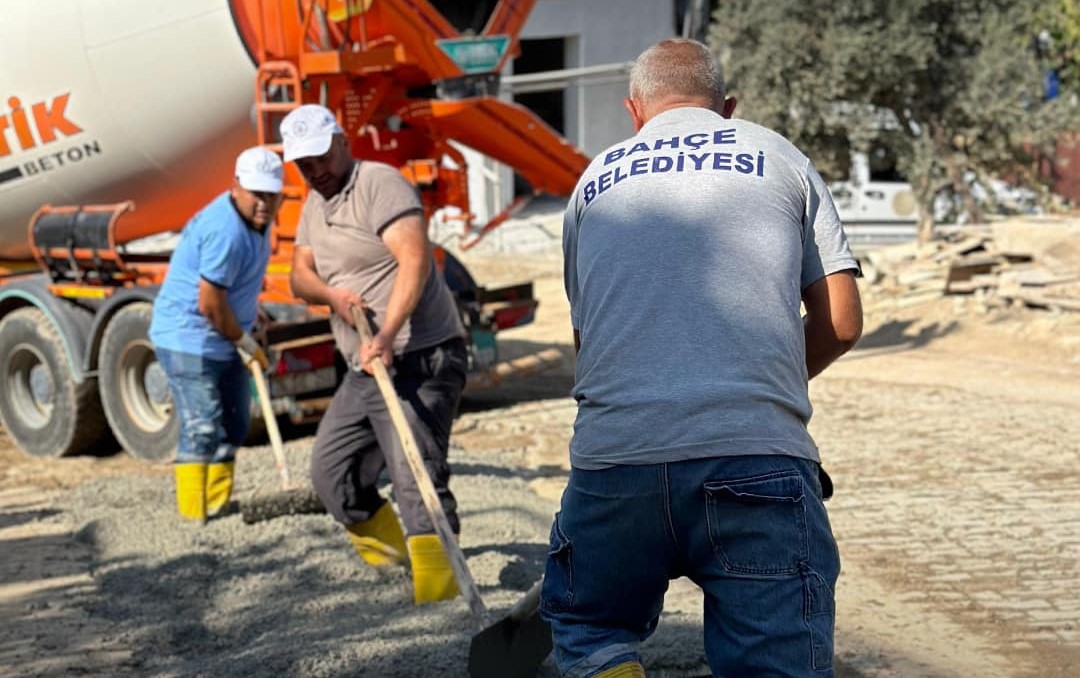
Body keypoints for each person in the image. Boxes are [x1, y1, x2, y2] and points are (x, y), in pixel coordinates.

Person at [540, 38, 863, 678]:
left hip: (617, 465)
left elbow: (592, 344)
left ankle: (607, 662)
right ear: (728, 108)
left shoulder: (591, 183)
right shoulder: (780, 157)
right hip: (757, 460)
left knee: (588, 626)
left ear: (635, 111)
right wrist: (752, 379)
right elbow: (843, 321)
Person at [281, 104, 469, 605]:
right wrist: (330, 295)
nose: (316, 171)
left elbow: (415, 260)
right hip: (365, 364)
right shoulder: (314, 205)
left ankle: (442, 597)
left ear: (342, 141)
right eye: (304, 165)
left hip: (420, 355)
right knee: (331, 472)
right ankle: (393, 563)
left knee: (414, 474)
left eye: (321, 157)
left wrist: (387, 332)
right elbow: (299, 275)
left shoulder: (378, 184)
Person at [149, 146, 282, 523]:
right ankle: (194, 518)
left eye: (272, 195)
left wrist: (249, 319)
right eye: (257, 194)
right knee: (203, 426)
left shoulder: (258, 221)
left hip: (223, 335)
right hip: (188, 337)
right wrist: (244, 340)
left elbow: (236, 285)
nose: (264, 203)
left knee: (236, 425)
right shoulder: (225, 230)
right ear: (237, 186)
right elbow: (209, 304)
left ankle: (218, 506)